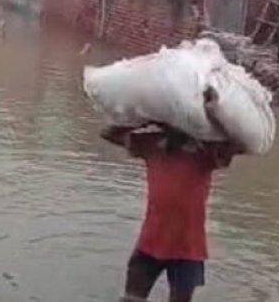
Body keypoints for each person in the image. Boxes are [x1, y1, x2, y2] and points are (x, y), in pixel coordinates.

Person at [101, 88, 245, 302]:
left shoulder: (205, 152)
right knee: (131, 299)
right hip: (150, 242)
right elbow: (108, 133)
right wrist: (144, 117)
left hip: (187, 249)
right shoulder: (151, 145)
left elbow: (238, 145)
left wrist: (214, 113)